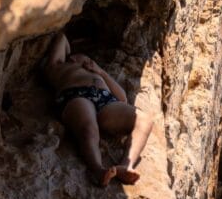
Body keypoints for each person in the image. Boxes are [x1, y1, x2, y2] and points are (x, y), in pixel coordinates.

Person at [39, 31, 154, 187]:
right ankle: (98, 170)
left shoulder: (96, 71)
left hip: (105, 99)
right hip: (76, 95)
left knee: (144, 119)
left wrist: (98, 70)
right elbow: (61, 37)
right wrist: (73, 56)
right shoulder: (57, 66)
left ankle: (127, 165)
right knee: (88, 128)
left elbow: (122, 98)